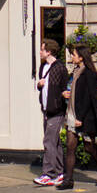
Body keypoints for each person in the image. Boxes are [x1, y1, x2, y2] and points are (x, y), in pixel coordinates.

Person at [57, 43, 97, 189]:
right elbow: (74, 91)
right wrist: (66, 93)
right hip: (72, 114)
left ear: (81, 57)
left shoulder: (89, 74)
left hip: (84, 117)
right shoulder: (75, 72)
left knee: (89, 147)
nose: (72, 57)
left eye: (74, 54)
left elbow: (90, 98)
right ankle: (68, 180)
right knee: (70, 146)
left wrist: (80, 117)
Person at [33, 40, 69, 185]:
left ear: (49, 51)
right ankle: (60, 172)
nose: (40, 52)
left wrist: (62, 98)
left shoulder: (60, 68)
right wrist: (39, 85)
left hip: (57, 111)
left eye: (42, 50)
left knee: (48, 141)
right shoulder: (43, 66)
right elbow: (43, 86)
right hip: (46, 109)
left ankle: (48, 174)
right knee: (55, 142)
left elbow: (64, 89)